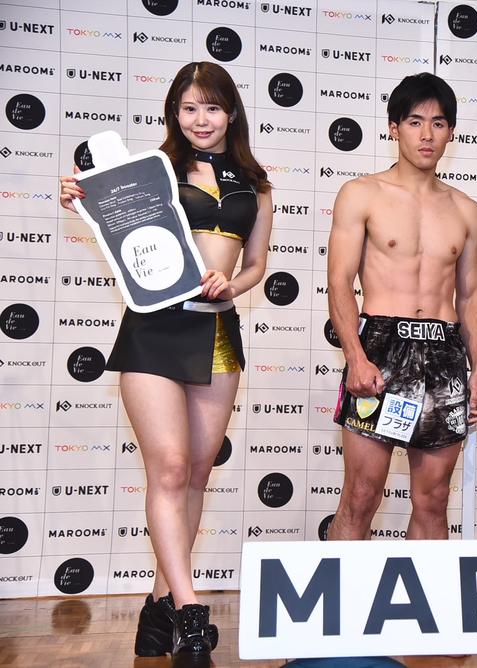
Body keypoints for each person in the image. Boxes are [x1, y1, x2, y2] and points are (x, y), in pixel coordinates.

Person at [59, 61, 272, 661]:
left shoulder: (256, 183)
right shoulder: (152, 170)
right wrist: (80, 199)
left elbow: (257, 263)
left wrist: (234, 284)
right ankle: (192, 613)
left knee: (197, 474)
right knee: (171, 470)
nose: (201, 119)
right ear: (173, 113)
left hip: (218, 331)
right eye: (189, 108)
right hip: (153, 329)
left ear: (231, 112)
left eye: (212, 107)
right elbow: (114, 218)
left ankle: (159, 606)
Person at [326, 72, 477, 542]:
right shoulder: (362, 194)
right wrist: (356, 356)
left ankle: (426, 595)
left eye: (438, 123)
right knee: (361, 495)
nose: (426, 134)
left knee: (433, 499)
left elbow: (470, 295)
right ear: (394, 128)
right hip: (381, 347)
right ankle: (342, 591)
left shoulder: (465, 209)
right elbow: (339, 283)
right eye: (415, 122)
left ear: (451, 132)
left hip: (443, 352)